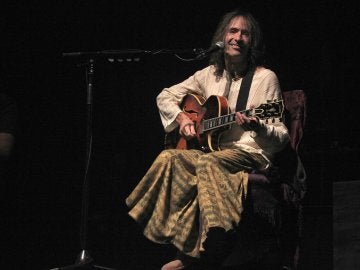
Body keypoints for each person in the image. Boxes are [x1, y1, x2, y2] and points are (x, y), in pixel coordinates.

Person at [125, 7, 289, 270]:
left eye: (245, 33)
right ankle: (185, 245)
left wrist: (258, 127)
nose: (237, 37)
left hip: (249, 151)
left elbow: (280, 137)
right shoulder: (209, 74)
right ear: (222, 37)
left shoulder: (264, 78)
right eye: (232, 31)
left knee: (208, 164)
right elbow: (165, 95)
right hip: (214, 150)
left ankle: (215, 242)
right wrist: (182, 119)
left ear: (252, 42)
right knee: (171, 157)